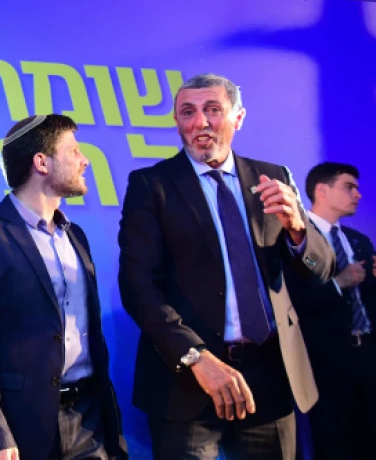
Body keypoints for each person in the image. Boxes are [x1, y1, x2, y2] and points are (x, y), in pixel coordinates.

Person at [117, 73, 334, 460]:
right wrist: (196, 358)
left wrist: (298, 230)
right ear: (177, 121)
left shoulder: (274, 177)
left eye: (213, 109)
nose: (200, 122)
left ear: (238, 118)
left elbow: (321, 269)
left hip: (269, 379)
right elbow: (138, 287)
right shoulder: (151, 185)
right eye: (188, 112)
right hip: (188, 383)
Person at [0, 114, 128, 460]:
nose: (85, 160)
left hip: (89, 419)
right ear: (41, 162)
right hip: (17, 424)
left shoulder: (76, 235)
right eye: (74, 151)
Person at [287, 162, 376, 459]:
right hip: (326, 365)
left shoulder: (358, 241)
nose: (358, 195)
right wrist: (338, 284)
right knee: (332, 447)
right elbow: (291, 302)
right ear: (322, 191)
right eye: (349, 187)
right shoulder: (295, 240)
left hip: (372, 360)